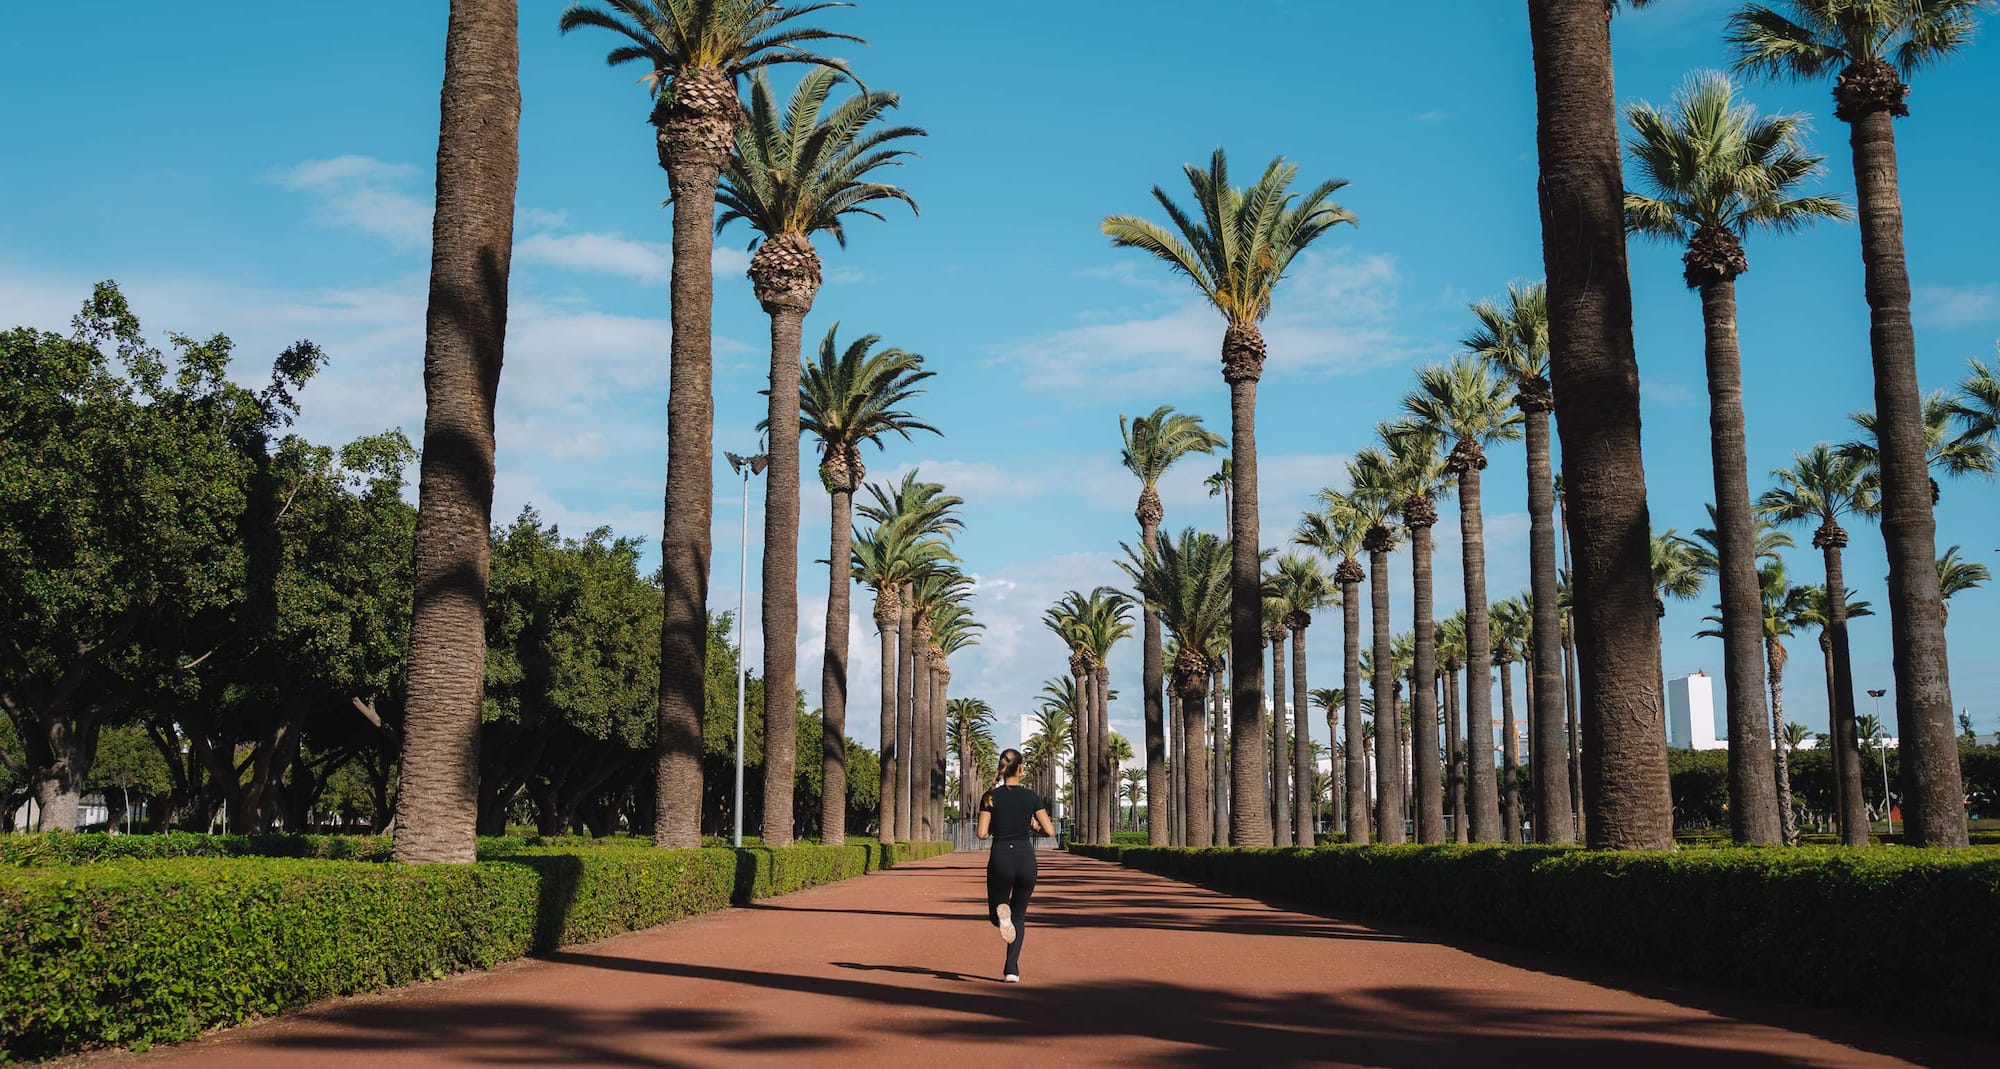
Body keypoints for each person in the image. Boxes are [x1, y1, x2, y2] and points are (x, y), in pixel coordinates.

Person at [976, 748, 1055, 983]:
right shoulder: (1031, 797)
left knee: (997, 913)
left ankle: (1001, 917)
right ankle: (1011, 970)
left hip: (1001, 856)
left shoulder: (990, 796)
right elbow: (1050, 831)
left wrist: (995, 827)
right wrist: (1034, 826)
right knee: (1019, 915)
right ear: (1020, 769)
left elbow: (981, 833)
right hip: (1025, 859)